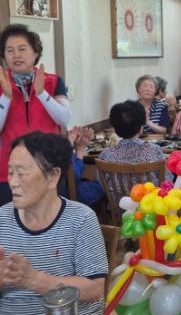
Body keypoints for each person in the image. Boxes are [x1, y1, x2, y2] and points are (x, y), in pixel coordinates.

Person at [0, 131, 107, 314]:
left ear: (53, 176)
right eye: (10, 172)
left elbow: (95, 289)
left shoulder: (81, 219)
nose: (13, 182)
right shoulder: (2, 219)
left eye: (22, 173)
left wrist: (34, 280)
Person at [0, 24, 71, 206]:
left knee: (52, 217)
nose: (16, 55)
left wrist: (42, 94)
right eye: (10, 50)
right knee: (11, 220)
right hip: (10, 171)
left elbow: (64, 118)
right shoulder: (1, 83)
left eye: (22, 49)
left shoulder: (53, 81)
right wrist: (6, 97)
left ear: (35, 52)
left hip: (48, 167)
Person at [101, 100, 168, 169]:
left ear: (115, 128)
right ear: (141, 125)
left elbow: (99, 175)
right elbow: (165, 174)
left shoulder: (106, 154)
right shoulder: (154, 150)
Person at [66, 126, 105, 207]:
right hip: (71, 196)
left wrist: (80, 147)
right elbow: (73, 177)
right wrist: (72, 145)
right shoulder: (61, 148)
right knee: (105, 184)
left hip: (73, 189)